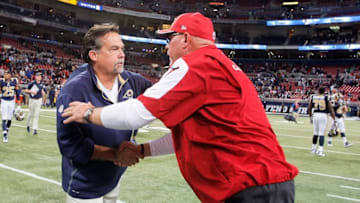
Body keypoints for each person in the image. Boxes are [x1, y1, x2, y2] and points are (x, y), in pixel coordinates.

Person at [62, 13, 299, 203]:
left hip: (247, 186)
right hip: (266, 183)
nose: (166, 47)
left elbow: (137, 114)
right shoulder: (219, 65)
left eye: (169, 39)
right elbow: (189, 135)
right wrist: (143, 150)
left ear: (185, 39)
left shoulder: (194, 65)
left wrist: (89, 112)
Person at [56, 23, 152, 202]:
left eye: (122, 49)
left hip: (115, 174)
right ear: (94, 55)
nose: (122, 54)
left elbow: (163, 95)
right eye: (114, 49)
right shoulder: (75, 89)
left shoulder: (133, 81)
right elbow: (70, 145)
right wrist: (115, 154)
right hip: (85, 183)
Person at [308, 86, 335, 157]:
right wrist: (333, 117)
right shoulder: (326, 97)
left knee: (315, 133)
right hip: (323, 115)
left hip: (315, 115)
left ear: (318, 91)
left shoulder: (313, 97)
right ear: (324, 91)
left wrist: (310, 117)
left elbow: (309, 108)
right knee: (321, 133)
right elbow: (330, 108)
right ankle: (320, 150)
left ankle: (313, 149)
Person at [0, 70, 19, 142]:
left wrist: (19, 104)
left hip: (12, 101)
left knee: (10, 119)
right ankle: (5, 135)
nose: (5, 75)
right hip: (4, 101)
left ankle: (6, 129)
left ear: (10, 75)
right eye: (4, 74)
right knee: (4, 118)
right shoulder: (1, 81)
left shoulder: (14, 81)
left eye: (7, 74)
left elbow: (17, 92)